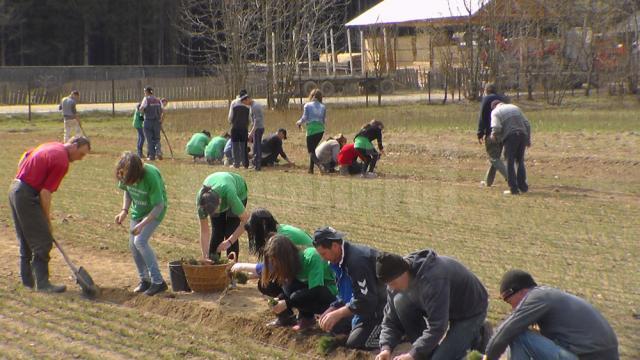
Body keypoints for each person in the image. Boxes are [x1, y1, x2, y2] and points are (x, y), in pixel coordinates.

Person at [8, 136, 91, 293]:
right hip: (26, 195)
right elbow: (45, 193)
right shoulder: (62, 161)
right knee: (43, 241)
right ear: (73, 146)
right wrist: (47, 220)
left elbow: (26, 155)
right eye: (81, 154)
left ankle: (28, 282)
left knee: (26, 239)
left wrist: (26, 177)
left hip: (15, 188)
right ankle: (43, 284)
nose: (80, 159)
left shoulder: (52, 145)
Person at [375, 250, 489, 360]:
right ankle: (425, 352)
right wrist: (386, 348)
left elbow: (438, 326)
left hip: (471, 310)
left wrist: (413, 354)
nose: (391, 287)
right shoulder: (395, 281)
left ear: (404, 272)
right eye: (388, 284)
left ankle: (480, 334)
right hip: (445, 306)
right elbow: (390, 320)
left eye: (393, 283)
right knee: (399, 301)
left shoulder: (433, 279)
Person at [483, 270, 619, 360]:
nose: (513, 308)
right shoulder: (550, 295)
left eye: (509, 301)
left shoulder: (537, 297)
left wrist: (488, 357)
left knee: (518, 334)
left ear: (520, 292)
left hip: (587, 356)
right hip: (600, 354)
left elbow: (507, 330)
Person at [230, 208, 313, 325]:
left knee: (268, 285)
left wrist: (241, 266)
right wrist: (247, 277)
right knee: (266, 282)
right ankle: (294, 314)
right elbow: (272, 268)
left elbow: (272, 268)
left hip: (309, 277)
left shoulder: (281, 238)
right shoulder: (279, 230)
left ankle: (300, 315)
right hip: (302, 272)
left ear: (263, 225)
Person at [313, 227, 386, 350]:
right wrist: (333, 308)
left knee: (356, 343)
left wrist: (339, 313)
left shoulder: (357, 263)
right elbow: (345, 294)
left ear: (335, 246)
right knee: (333, 325)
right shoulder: (337, 262)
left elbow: (366, 300)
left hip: (382, 309)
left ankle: (399, 334)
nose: (323, 258)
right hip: (364, 308)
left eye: (323, 254)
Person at [114, 152, 168, 296]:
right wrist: (124, 211)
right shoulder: (124, 172)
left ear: (138, 173)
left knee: (140, 241)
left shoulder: (151, 176)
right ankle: (145, 280)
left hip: (154, 211)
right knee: (133, 245)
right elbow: (127, 191)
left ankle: (158, 282)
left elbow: (159, 206)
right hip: (137, 211)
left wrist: (142, 224)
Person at [262, 234, 337, 331]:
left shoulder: (312, 257)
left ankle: (308, 318)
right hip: (314, 291)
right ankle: (287, 318)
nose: (274, 264)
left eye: (275, 261)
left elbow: (316, 290)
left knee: (296, 296)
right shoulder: (291, 266)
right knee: (282, 286)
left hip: (331, 294)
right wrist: (279, 299)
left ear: (285, 258)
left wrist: (287, 303)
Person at [196, 172, 249, 262]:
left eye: (217, 210)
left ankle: (232, 268)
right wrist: (205, 256)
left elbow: (246, 220)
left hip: (239, 192)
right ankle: (212, 265)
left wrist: (229, 241)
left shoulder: (230, 194)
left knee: (230, 231)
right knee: (217, 232)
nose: (216, 213)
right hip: (219, 191)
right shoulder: (202, 203)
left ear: (220, 201)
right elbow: (204, 231)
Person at [490, 101, 531, 195]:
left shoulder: (495, 112)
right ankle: (523, 187)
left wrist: (494, 136)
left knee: (509, 161)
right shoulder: (515, 107)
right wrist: (528, 140)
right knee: (520, 161)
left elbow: (496, 127)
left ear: (494, 107)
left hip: (511, 137)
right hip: (522, 135)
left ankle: (513, 189)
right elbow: (527, 124)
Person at [476, 83, 508, 187]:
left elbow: (482, 117)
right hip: (504, 132)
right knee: (495, 157)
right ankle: (487, 182)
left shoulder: (486, 99)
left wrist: (480, 133)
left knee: (493, 158)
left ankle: (511, 177)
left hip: (492, 132)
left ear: (486, 91)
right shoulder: (503, 99)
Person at [296, 89, 326, 174]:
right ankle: (310, 169)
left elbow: (304, 118)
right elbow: (323, 120)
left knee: (310, 151)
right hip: (320, 130)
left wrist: (299, 122)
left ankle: (320, 165)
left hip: (311, 130)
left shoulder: (307, 105)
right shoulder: (323, 107)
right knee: (313, 150)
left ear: (311, 96)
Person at [228, 90, 251, 168]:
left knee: (235, 146)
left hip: (235, 127)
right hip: (244, 128)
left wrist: (231, 122)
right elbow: (250, 118)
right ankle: (245, 163)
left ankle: (236, 163)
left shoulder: (234, 103)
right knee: (243, 146)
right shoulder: (248, 104)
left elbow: (230, 116)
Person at [139, 86, 163, 161]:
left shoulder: (146, 99)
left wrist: (141, 119)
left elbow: (141, 109)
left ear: (147, 92)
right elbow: (163, 111)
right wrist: (160, 121)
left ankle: (152, 156)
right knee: (157, 138)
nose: (144, 93)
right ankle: (158, 152)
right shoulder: (158, 100)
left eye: (144, 91)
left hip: (148, 121)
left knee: (149, 139)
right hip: (157, 122)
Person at [248, 99, 265, 171]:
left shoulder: (255, 107)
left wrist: (251, 133)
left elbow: (256, 122)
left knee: (257, 147)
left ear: (247, 99)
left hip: (258, 129)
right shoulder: (252, 106)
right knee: (255, 147)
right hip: (257, 129)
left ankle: (258, 165)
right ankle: (255, 163)